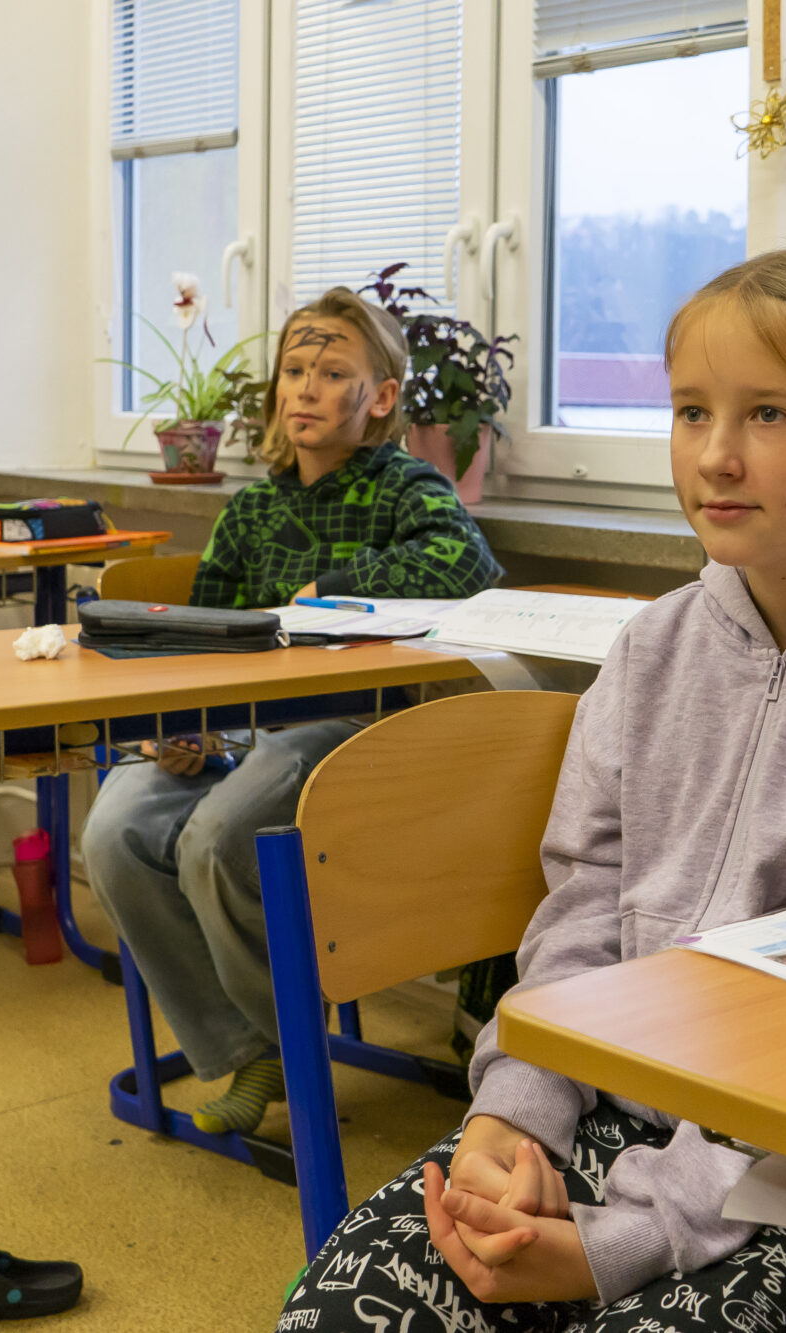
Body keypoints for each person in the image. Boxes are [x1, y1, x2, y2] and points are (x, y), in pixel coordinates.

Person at [276, 249, 786, 1332]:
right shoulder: (654, 648)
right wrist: (515, 1115)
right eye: (692, 412)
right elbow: (586, 902)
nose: (716, 455)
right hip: (616, 1104)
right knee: (340, 1315)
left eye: (769, 414)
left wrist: (626, 1238)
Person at [84, 286, 503, 1137]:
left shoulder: (403, 485)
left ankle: (279, 1044)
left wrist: (336, 587)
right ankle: (247, 1045)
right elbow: (197, 640)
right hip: (245, 731)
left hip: (356, 731)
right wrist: (182, 726)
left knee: (217, 840)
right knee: (113, 832)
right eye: (294, 370)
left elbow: (467, 563)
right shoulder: (252, 511)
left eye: (333, 372)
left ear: (381, 397)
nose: (307, 387)